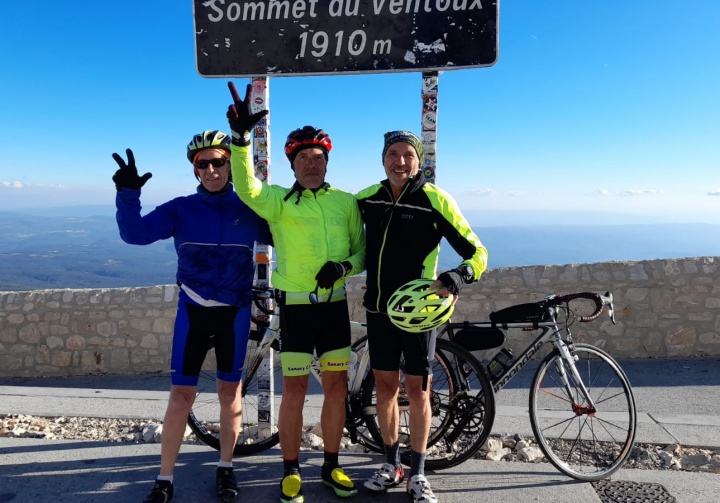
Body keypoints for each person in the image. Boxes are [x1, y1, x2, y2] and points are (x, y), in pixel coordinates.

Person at [112, 130, 272, 503]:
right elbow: (134, 235)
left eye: (219, 161)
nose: (212, 169)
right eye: (204, 164)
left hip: (234, 312)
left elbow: (292, 232)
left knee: (229, 395)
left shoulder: (251, 209)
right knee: (181, 397)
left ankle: (226, 468)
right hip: (193, 310)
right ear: (195, 170)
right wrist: (127, 194)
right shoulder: (181, 208)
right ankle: (164, 479)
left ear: (231, 164)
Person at [224, 82, 366, 503]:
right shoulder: (280, 202)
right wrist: (239, 140)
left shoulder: (346, 202)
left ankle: (331, 464)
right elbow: (246, 186)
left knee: (337, 387)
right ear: (292, 164)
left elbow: (360, 253)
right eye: (302, 157)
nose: (311, 163)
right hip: (297, 309)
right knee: (297, 391)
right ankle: (290, 470)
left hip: (335, 308)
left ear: (327, 162)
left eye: (317, 157)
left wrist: (343, 267)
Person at [355, 131, 488, 503]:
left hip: (419, 316)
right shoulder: (367, 198)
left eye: (407, 155)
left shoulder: (434, 199)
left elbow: (477, 252)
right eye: (393, 155)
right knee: (384, 389)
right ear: (383, 160)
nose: (400, 162)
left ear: (418, 161)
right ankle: (391, 464)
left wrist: (457, 277)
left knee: (418, 392)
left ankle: (418, 473)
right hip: (379, 311)